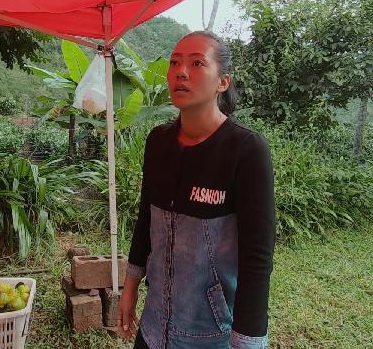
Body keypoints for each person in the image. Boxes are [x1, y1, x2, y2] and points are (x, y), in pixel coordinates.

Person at [117, 31, 273, 349]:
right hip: (153, 325)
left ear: (223, 82)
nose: (181, 72)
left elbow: (258, 256)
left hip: (210, 332)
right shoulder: (158, 142)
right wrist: (130, 286)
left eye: (197, 63)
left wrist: (247, 341)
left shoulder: (245, 149)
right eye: (174, 63)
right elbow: (145, 219)